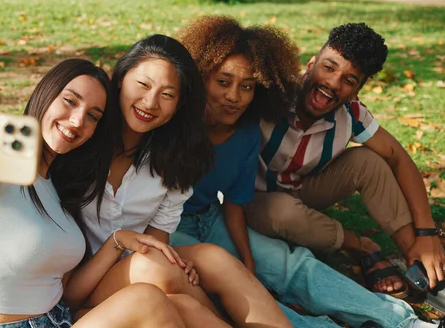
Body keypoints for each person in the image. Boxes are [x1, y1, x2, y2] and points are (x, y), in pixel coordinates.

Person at [0, 59, 197, 328]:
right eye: (70, 101)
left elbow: (68, 294)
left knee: (183, 307)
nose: (77, 121)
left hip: (60, 318)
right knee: (149, 300)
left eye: (92, 116)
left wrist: (118, 240)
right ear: (46, 93)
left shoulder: (57, 187)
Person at [170, 15, 438, 328]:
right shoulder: (182, 120)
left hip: (220, 213)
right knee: (237, 289)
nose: (234, 96)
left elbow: (231, 204)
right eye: (223, 82)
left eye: (246, 86)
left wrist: (249, 258)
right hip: (185, 225)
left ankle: (405, 319)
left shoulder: (246, 130)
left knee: (292, 266)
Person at [62, 34, 292, 328]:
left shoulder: (176, 160)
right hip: (78, 286)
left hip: (128, 268)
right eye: (143, 85)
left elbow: (157, 242)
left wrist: (178, 269)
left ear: (180, 104)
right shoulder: (82, 136)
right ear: (120, 78)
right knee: (160, 271)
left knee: (211, 261)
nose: (150, 102)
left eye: (167, 94)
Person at [240, 21, 445, 297]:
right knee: (282, 211)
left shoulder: (351, 115)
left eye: (349, 80)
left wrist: (426, 234)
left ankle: (420, 262)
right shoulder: (271, 91)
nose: (332, 83)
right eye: (329, 67)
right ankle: (360, 245)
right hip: (252, 198)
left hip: (302, 189)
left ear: (357, 91)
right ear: (311, 64)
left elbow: (398, 157)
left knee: (368, 161)